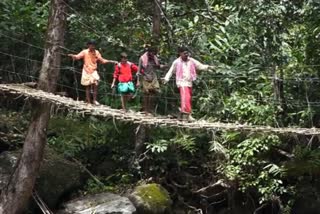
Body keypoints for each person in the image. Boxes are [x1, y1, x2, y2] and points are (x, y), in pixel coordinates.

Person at [163, 46, 214, 121]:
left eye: (187, 53)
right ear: (180, 53)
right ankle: (187, 114)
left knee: (188, 98)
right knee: (185, 98)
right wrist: (166, 78)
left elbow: (200, 66)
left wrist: (209, 67)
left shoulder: (191, 60)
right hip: (182, 82)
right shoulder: (176, 62)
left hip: (189, 82)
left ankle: (184, 114)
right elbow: (170, 71)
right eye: (184, 53)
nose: (186, 55)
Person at [68, 40, 117, 105]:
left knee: (96, 84)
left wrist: (111, 61)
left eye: (94, 45)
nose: (93, 46)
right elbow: (78, 57)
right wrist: (73, 56)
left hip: (93, 70)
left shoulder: (96, 52)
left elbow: (102, 60)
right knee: (87, 86)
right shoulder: (85, 52)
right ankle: (88, 101)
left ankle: (94, 100)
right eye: (91, 45)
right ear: (88, 45)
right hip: (86, 70)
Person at [137, 46, 165, 114]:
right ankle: (146, 110)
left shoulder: (155, 58)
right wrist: (138, 81)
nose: (153, 54)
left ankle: (150, 109)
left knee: (153, 93)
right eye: (152, 52)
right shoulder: (142, 58)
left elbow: (157, 66)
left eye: (154, 53)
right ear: (149, 52)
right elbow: (139, 71)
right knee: (146, 94)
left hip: (153, 77)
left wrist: (163, 66)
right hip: (145, 77)